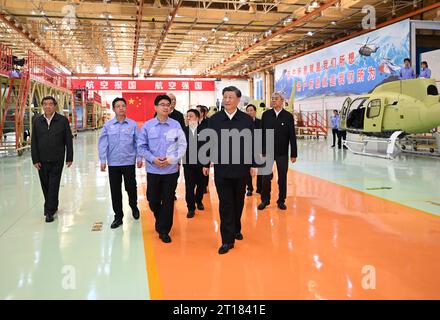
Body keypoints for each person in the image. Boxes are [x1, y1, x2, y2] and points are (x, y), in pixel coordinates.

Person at [203, 86, 257, 254]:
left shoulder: (246, 120)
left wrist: (254, 164)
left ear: (238, 100)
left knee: (238, 202)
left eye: (230, 97)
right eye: (225, 97)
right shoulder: (215, 120)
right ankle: (227, 240)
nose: (227, 100)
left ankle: (236, 227)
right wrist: (205, 163)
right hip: (222, 169)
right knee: (226, 204)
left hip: (241, 168)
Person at [138, 94, 187, 243]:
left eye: (168, 105)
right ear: (156, 107)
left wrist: (171, 160)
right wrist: (153, 159)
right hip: (153, 170)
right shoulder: (148, 126)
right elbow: (141, 146)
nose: (166, 107)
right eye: (162, 104)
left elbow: (182, 145)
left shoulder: (175, 125)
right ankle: (161, 220)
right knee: (152, 199)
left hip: (170, 170)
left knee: (167, 200)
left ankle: (164, 230)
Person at [98, 97, 142, 229]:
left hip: (128, 161)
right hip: (114, 163)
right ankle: (118, 216)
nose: (121, 108)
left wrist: (139, 157)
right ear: (114, 109)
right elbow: (103, 143)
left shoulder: (132, 124)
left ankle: (134, 206)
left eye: (123, 105)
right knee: (115, 190)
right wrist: (103, 160)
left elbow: (138, 142)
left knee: (131, 187)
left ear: (126, 108)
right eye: (118, 106)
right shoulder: (108, 126)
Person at [31, 96, 73, 223]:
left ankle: (48, 211)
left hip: (57, 158)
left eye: (50, 104)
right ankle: (53, 206)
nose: (48, 106)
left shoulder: (62, 121)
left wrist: (69, 157)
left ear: (54, 106)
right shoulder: (37, 121)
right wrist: (35, 159)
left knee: (54, 185)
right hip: (42, 159)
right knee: (45, 186)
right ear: (42, 106)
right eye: (45, 104)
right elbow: (34, 141)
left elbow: (68, 140)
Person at [258, 91, 297, 211]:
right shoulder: (266, 115)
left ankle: (281, 200)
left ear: (282, 101)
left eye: (276, 98)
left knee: (282, 178)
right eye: (272, 98)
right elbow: (261, 133)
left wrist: (293, 153)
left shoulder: (288, 116)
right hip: (267, 151)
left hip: (282, 153)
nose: (273, 100)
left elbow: (292, 136)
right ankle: (265, 200)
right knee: (265, 177)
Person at [183, 109, 205, 218]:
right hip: (188, 164)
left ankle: (199, 200)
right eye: (187, 116)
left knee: (201, 185)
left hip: (201, 163)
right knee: (189, 186)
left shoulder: (204, 130)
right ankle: (191, 208)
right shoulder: (183, 131)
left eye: (190, 116)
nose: (188, 118)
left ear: (197, 117)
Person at [245, 104, 262, 196]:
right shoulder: (243, 123)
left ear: (255, 112)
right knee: (248, 170)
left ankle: (259, 188)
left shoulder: (261, 122)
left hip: (259, 149)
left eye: (251, 110)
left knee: (260, 169)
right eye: (248, 110)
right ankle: (249, 188)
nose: (249, 112)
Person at [196, 105, 209, 194]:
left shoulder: (208, 122)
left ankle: (204, 186)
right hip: (194, 150)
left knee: (204, 168)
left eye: (198, 111)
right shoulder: (193, 122)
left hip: (205, 150)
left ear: (202, 113)